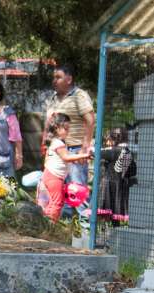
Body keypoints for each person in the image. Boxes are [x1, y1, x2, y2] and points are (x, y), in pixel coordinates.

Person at [43, 65, 95, 219]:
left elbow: (90, 120)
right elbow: (49, 124)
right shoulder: (53, 98)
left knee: (77, 190)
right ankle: (64, 228)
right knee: (61, 190)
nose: (54, 80)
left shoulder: (79, 95)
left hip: (75, 150)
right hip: (57, 152)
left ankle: (85, 227)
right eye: (53, 77)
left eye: (58, 77)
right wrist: (45, 145)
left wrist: (84, 148)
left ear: (69, 79)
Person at [38, 113, 90, 222]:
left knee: (50, 202)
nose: (68, 131)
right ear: (57, 128)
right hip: (55, 177)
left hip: (49, 175)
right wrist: (84, 155)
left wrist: (78, 158)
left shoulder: (54, 142)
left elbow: (58, 159)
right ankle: (50, 225)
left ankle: (44, 222)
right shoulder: (58, 143)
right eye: (66, 128)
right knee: (57, 202)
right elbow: (66, 157)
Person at [99, 127, 136, 224]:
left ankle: (104, 232)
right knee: (116, 214)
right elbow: (133, 171)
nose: (107, 142)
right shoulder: (128, 152)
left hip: (108, 186)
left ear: (113, 139)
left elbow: (96, 153)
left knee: (105, 211)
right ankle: (114, 231)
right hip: (121, 187)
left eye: (108, 140)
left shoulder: (113, 151)